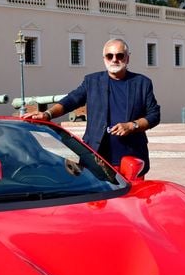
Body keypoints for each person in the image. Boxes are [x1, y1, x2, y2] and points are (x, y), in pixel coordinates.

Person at [24, 38, 160, 175]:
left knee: (132, 196)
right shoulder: (92, 81)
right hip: (98, 160)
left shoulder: (142, 83)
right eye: (109, 56)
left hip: (132, 161)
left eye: (120, 55)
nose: (114, 59)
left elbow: (154, 115)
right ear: (104, 59)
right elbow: (71, 100)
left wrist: (132, 126)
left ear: (127, 58)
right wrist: (47, 114)